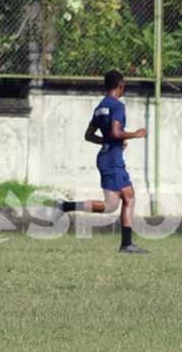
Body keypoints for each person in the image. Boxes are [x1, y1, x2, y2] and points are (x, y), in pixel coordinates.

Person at [57, 70, 149, 254]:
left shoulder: (100, 107)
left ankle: (66, 206)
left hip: (106, 156)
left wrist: (108, 141)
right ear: (120, 86)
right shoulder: (117, 106)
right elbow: (115, 132)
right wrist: (135, 135)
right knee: (125, 199)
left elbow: (89, 135)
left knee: (115, 203)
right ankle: (126, 244)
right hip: (112, 159)